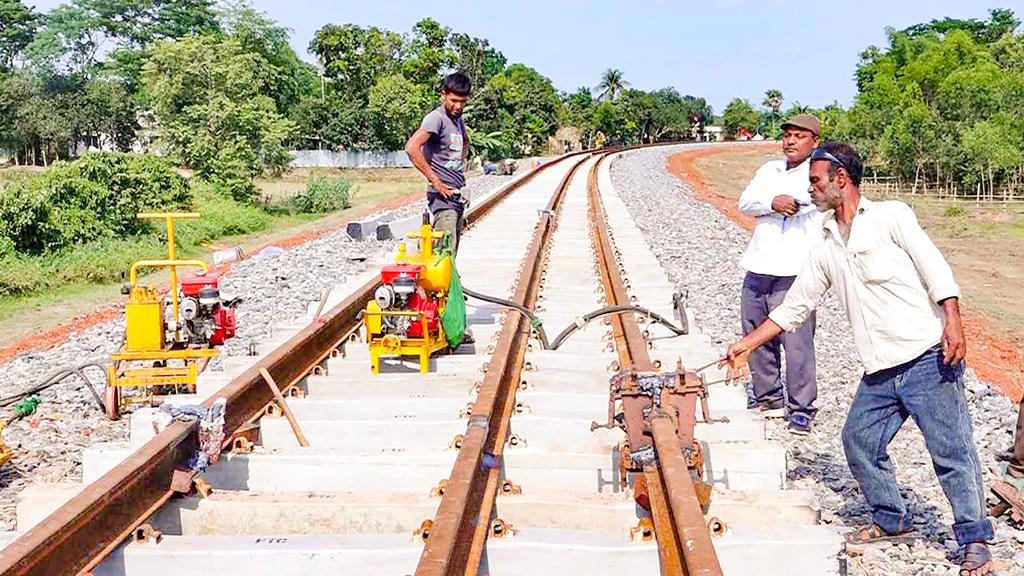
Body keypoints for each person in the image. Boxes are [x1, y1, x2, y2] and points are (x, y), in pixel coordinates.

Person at [721, 142, 994, 576]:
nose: (810, 188)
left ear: (840, 180)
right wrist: (748, 343)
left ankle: (975, 539)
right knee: (859, 441)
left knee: (951, 452)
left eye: (815, 180)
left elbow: (934, 266)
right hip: (880, 368)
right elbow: (796, 306)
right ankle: (892, 519)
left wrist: (953, 320)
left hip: (926, 357)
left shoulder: (891, 217)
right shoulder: (825, 241)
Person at [736, 113, 823, 434]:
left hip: (795, 270)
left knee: (796, 340)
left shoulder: (817, 171)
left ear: (814, 141)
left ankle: (801, 408)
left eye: (799, 136)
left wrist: (776, 201)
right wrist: (772, 201)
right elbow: (745, 202)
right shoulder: (768, 170)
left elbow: (808, 202)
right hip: (758, 264)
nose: (790, 141)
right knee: (755, 332)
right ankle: (768, 397)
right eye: (787, 135)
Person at [405, 71, 472, 255]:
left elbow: (466, 141)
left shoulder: (458, 120)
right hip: (442, 198)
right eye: (453, 100)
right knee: (443, 252)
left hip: (456, 196)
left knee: (451, 249)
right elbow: (412, 148)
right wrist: (437, 182)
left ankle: (452, 284)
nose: (458, 106)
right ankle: (440, 285)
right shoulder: (436, 118)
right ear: (443, 95)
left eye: (463, 101)